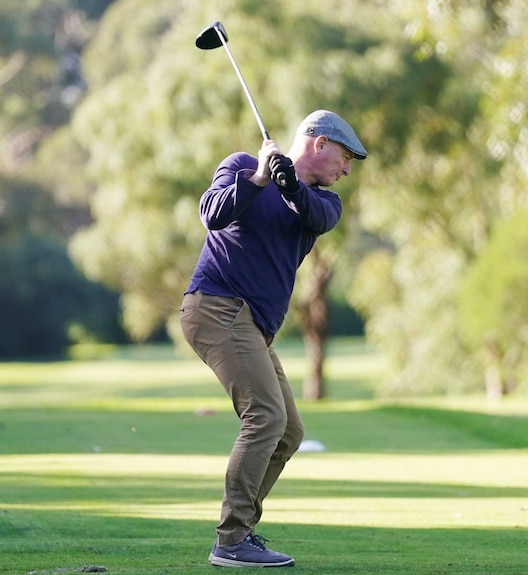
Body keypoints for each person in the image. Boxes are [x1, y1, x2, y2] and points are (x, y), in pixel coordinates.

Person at [179, 110, 367, 568]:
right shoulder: (241, 166)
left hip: (253, 326)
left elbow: (314, 214)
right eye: (344, 158)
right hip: (216, 306)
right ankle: (231, 540)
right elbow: (212, 214)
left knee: (289, 431)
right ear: (319, 144)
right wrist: (261, 177)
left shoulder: (326, 203)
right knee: (265, 415)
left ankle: (240, 532)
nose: (346, 170)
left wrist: (288, 185)